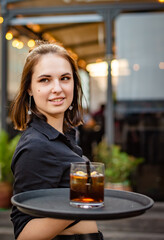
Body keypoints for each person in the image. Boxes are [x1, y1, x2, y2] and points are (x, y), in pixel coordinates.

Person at [10, 42, 104, 240]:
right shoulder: (36, 146)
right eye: (45, 80)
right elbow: (24, 235)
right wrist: (81, 201)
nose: (57, 88)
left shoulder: (65, 135)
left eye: (65, 78)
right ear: (29, 88)